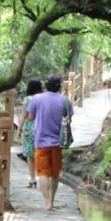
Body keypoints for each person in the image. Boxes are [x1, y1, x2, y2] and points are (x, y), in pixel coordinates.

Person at [26, 75, 73, 211]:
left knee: (42, 173)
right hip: (57, 143)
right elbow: (69, 119)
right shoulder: (65, 101)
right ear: (59, 86)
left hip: (41, 142)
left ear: (46, 85)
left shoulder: (37, 98)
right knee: (54, 174)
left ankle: (47, 202)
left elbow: (30, 117)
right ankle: (52, 200)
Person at [19, 79, 44, 189]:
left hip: (30, 128)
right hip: (43, 128)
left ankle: (33, 179)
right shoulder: (44, 98)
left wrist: (19, 128)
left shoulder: (28, 99)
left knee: (30, 155)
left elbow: (24, 115)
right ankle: (43, 178)